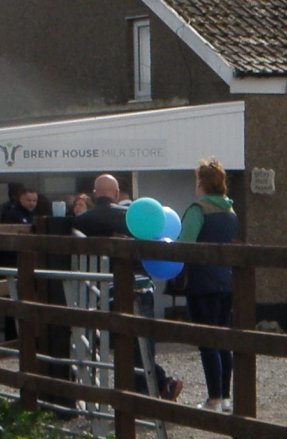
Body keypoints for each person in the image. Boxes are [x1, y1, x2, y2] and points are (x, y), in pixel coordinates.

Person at [74, 174, 183, 401]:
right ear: (116, 195)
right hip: (140, 283)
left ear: (95, 194)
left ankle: (148, 389)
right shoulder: (132, 218)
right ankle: (153, 388)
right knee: (142, 339)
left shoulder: (82, 220)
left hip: (104, 287)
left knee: (116, 342)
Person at [177, 159, 238, 412]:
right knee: (223, 337)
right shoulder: (231, 211)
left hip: (201, 282)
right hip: (226, 280)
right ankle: (224, 396)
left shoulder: (198, 209)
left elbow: (185, 245)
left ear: (201, 182)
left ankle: (213, 398)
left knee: (207, 339)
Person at [0, 187, 37, 341]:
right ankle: (11, 337)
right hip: (11, 264)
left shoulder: (34, 215)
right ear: (21, 199)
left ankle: (25, 336)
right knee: (11, 302)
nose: (31, 203)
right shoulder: (12, 215)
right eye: (28, 200)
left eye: (34, 200)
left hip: (27, 265)